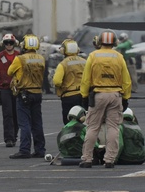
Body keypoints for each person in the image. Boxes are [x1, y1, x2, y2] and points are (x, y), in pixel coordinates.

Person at [79, 30, 132, 169]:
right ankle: (110, 160)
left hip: (98, 94)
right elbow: (127, 80)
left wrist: (84, 96)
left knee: (92, 127)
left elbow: (85, 79)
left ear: (100, 41)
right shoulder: (119, 57)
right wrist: (125, 97)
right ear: (114, 42)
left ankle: (87, 159)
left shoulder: (93, 56)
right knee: (113, 127)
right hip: (115, 94)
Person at [7, 34, 46, 159]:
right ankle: (40, 149)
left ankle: (24, 150)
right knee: (37, 123)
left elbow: (9, 72)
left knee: (24, 123)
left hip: (24, 93)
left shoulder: (20, 59)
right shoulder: (41, 58)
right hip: (37, 93)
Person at [0, 33, 20, 147]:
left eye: (10, 43)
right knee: (7, 114)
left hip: (17, 89)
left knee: (17, 114)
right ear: (3, 44)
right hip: (4, 89)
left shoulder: (19, 56)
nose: (8, 45)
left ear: (14, 43)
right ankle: (9, 138)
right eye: (6, 43)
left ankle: (14, 135)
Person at [52, 38, 86, 124]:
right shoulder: (85, 62)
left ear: (63, 50)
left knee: (69, 122)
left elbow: (57, 81)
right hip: (84, 95)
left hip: (69, 97)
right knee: (84, 120)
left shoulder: (63, 64)